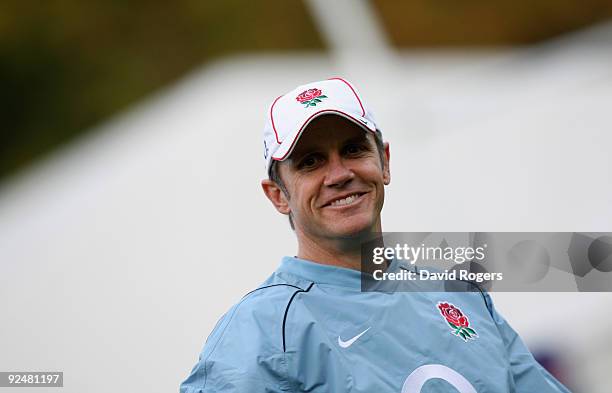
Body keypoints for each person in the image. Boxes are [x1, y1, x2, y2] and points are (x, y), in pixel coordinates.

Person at [180, 78, 570, 392]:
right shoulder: (262, 331)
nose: (338, 174)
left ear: (384, 162)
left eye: (352, 149)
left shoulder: (459, 293)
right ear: (278, 195)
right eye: (311, 161)